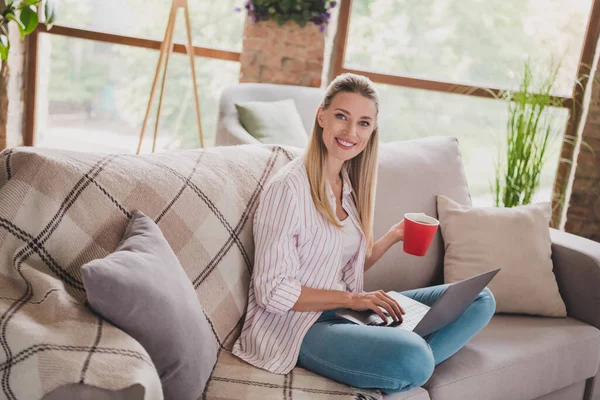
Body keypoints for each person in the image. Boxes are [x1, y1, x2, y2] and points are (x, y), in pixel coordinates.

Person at [232, 73, 496, 393]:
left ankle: (389, 361)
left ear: (372, 131)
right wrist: (353, 299)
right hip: (297, 327)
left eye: (363, 123)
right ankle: (402, 362)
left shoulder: (346, 185)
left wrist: (393, 236)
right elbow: (272, 292)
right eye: (342, 117)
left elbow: (341, 267)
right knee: (416, 360)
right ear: (321, 116)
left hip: (344, 313)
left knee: (479, 300)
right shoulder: (287, 190)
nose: (350, 132)